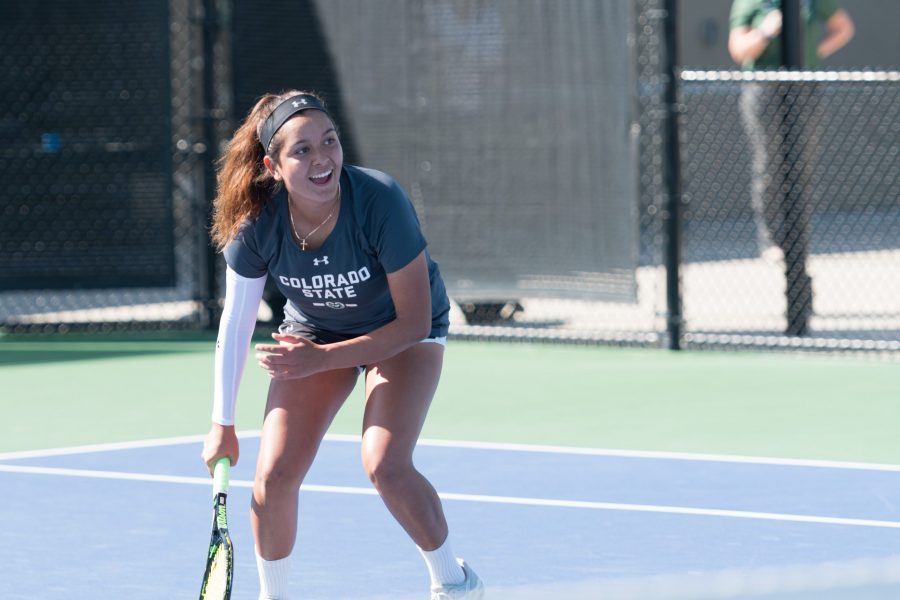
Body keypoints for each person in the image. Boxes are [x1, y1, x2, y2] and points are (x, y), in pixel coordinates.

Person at [201, 90, 484, 600]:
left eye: (329, 142)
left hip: (402, 331)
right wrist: (221, 424)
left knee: (385, 464)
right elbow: (236, 324)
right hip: (316, 332)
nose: (322, 158)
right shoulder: (256, 225)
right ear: (273, 166)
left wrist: (321, 359)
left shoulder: (379, 199)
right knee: (274, 477)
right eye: (302, 150)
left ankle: (454, 582)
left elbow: (414, 319)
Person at [728, 0, 854, 335]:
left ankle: (798, 256)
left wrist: (812, 54)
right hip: (764, 89)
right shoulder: (750, 3)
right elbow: (739, 50)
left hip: (806, 88)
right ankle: (772, 239)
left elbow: (843, 28)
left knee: (801, 172)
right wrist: (767, 30)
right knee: (770, 167)